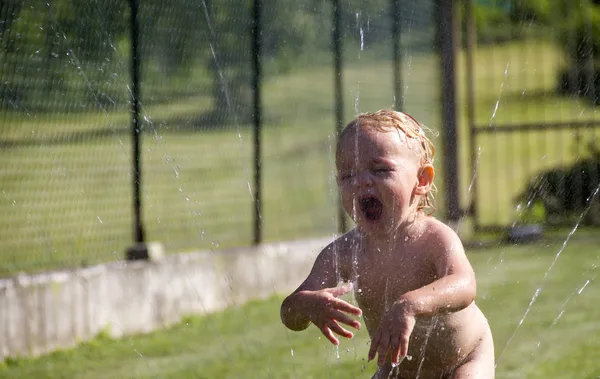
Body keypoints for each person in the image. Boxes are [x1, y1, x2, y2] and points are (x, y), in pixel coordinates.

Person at [280, 109, 494, 378]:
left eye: (380, 169)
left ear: (422, 180)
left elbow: (464, 285)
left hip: (464, 358)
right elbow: (289, 313)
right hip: (398, 370)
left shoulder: (433, 238)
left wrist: (410, 304)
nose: (361, 181)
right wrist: (306, 304)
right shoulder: (344, 253)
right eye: (347, 176)